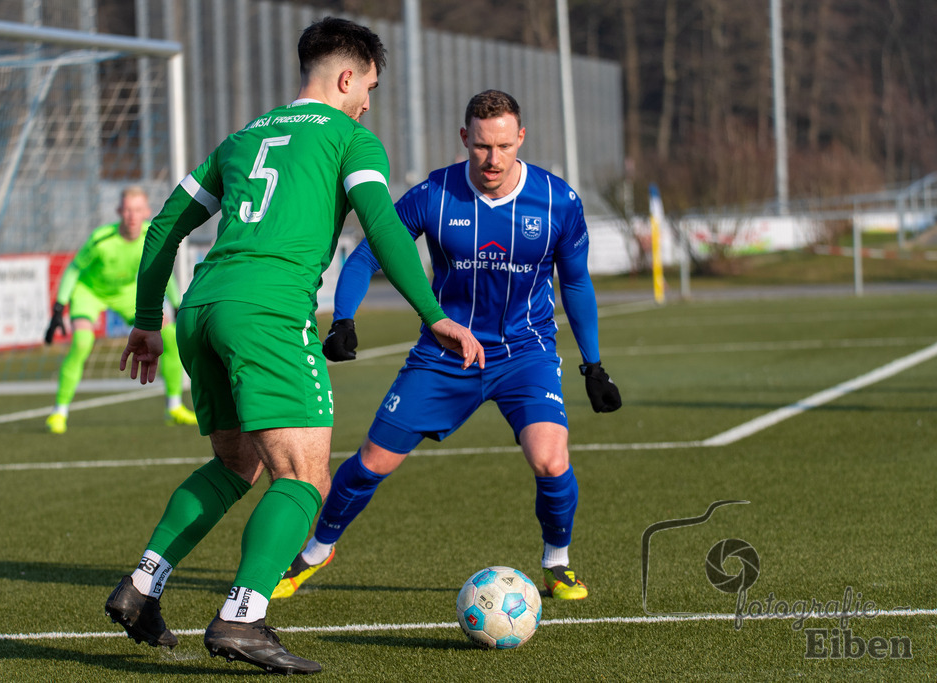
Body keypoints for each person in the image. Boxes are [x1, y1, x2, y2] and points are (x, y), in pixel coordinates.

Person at [105, 17, 483, 676]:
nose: (368, 101)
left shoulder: (243, 137)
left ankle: (142, 583)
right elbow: (385, 225)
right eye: (368, 86)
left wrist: (145, 320)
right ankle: (242, 616)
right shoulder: (349, 137)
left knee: (235, 466)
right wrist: (434, 313)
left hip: (202, 308)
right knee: (305, 478)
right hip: (269, 313)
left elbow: (165, 224)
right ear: (346, 78)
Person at [272, 90, 622, 604]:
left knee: (550, 460)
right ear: (465, 139)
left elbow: (575, 284)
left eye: (504, 145)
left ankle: (557, 562)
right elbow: (368, 255)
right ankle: (317, 550)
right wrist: (343, 319)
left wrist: (593, 365)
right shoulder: (434, 194)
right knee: (371, 462)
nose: (493, 159)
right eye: (481, 146)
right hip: (444, 354)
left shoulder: (558, 201)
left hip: (526, 353)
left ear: (521, 138)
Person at [43, 186, 196, 434]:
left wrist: (177, 303)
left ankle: (174, 406)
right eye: (127, 210)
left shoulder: (152, 234)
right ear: (118, 212)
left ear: (146, 212)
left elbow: (161, 271)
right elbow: (73, 269)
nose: (132, 216)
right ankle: (59, 412)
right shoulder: (101, 239)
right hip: (90, 292)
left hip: (127, 293)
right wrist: (59, 307)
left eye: (137, 210)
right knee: (82, 342)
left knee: (169, 335)